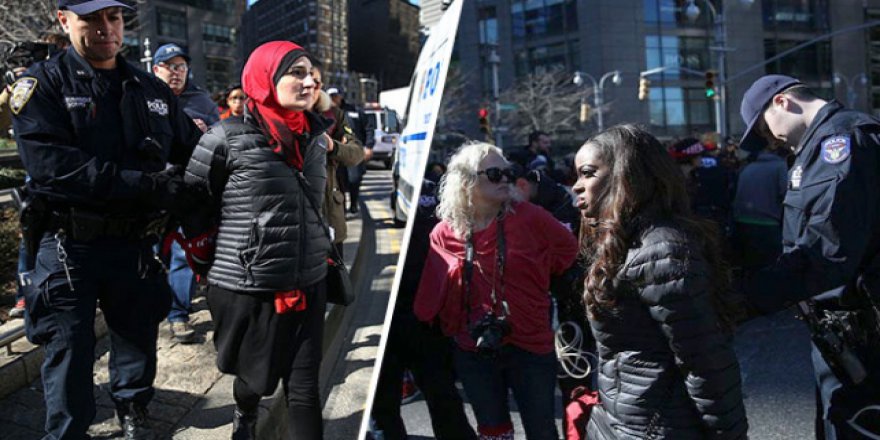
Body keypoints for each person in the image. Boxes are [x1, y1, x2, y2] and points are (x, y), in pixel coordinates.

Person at [11, 1, 202, 438]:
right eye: (91, 18)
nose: (105, 28)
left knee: (137, 337)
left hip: (134, 243)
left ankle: (134, 410)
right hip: (68, 243)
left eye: (113, 17)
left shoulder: (149, 89)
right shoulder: (42, 85)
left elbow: (193, 151)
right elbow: (54, 167)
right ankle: (68, 431)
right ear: (63, 20)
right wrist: (151, 185)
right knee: (68, 349)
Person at [183, 40, 331, 440]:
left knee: (304, 389)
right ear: (265, 78)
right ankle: (245, 411)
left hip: (311, 278)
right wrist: (221, 259)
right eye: (296, 73)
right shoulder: (225, 137)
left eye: (311, 74)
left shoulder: (316, 138)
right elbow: (194, 202)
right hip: (251, 287)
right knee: (256, 379)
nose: (309, 82)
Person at [573, 124, 748, 439]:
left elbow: (705, 361)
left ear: (626, 176)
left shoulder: (662, 249)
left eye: (587, 173)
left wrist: (730, 435)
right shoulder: (628, 241)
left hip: (656, 429)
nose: (576, 186)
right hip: (623, 423)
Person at [738, 74, 880, 439]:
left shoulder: (843, 142)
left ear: (782, 102)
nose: (770, 141)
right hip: (843, 335)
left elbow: (826, 251)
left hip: (863, 335)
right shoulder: (819, 147)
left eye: (764, 128)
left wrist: (744, 301)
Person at [414, 142, 578, 440]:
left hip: (531, 343)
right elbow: (432, 294)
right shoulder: (444, 232)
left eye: (508, 173)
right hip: (473, 347)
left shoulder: (531, 217)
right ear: (466, 180)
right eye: (494, 173)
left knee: (542, 430)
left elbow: (568, 252)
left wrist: (539, 275)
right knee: (492, 431)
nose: (505, 179)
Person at [371, 168, 477, 440]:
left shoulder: (419, 189)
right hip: (423, 314)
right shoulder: (428, 191)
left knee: (398, 406)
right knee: (438, 399)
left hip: (421, 315)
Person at [152, 42, 220, 343]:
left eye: (180, 66)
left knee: (183, 251)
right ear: (156, 70)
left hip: (191, 185)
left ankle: (178, 315)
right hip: (152, 186)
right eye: (169, 66)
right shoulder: (143, 95)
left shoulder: (201, 101)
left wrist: (206, 131)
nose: (175, 72)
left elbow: (222, 137)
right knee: (154, 251)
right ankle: (153, 306)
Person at [310, 66, 364, 258]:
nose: (309, 85)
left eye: (316, 81)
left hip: (331, 214)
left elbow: (356, 152)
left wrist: (333, 146)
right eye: (300, 76)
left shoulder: (335, 115)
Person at [731, 143, 787, 274]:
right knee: (770, 269)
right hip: (769, 225)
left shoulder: (747, 168)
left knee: (750, 267)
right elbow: (786, 194)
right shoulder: (780, 167)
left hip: (742, 223)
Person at [328, 87, 374, 214]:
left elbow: (369, 128)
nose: (333, 99)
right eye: (330, 96)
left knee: (354, 179)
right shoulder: (326, 113)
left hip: (354, 152)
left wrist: (369, 146)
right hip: (336, 153)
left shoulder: (355, 111)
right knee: (338, 183)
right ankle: (341, 210)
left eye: (335, 96)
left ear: (341, 97)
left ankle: (354, 203)